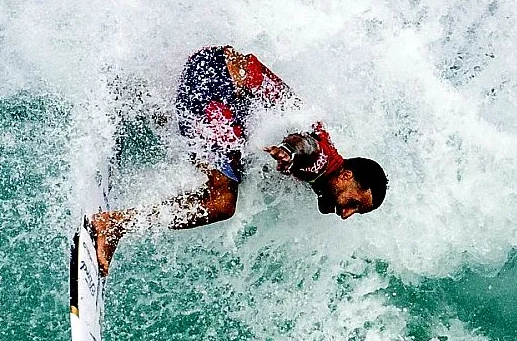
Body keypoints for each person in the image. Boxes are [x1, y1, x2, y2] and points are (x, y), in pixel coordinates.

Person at [89, 45, 387, 276]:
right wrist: (289, 151)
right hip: (219, 82)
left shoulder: (328, 168)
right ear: (347, 175)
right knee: (221, 202)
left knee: (220, 155)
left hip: (217, 70)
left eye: (355, 212)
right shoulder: (320, 160)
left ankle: (129, 97)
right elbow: (305, 145)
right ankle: (114, 225)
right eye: (354, 203)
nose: (346, 214)